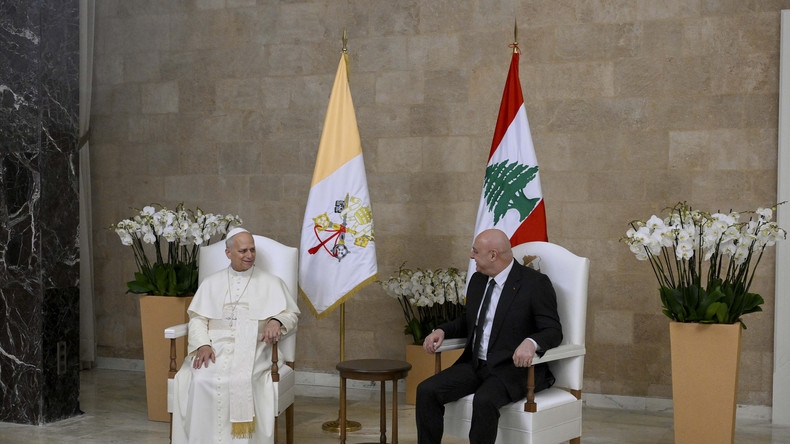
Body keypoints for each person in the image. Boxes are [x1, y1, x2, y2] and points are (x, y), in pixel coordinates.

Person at [416, 229, 562, 444]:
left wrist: (531, 342)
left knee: (484, 400)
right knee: (427, 390)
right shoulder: (478, 280)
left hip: (513, 369)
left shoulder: (535, 284)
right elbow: (468, 320)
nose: (471, 256)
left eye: (475, 251)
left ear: (493, 255)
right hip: (476, 365)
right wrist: (442, 330)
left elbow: (553, 330)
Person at [172, 228, 300, 444]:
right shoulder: (211, 283)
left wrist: (276, 321)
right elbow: (198, 319)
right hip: (215, 347)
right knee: (201, 378)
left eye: (252, 250)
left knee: (243, 378)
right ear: (228, 253)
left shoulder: (271, 282)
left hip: (254, 347)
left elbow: (291, 314)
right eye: (242, 251)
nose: (249, 255)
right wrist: (203, 344)